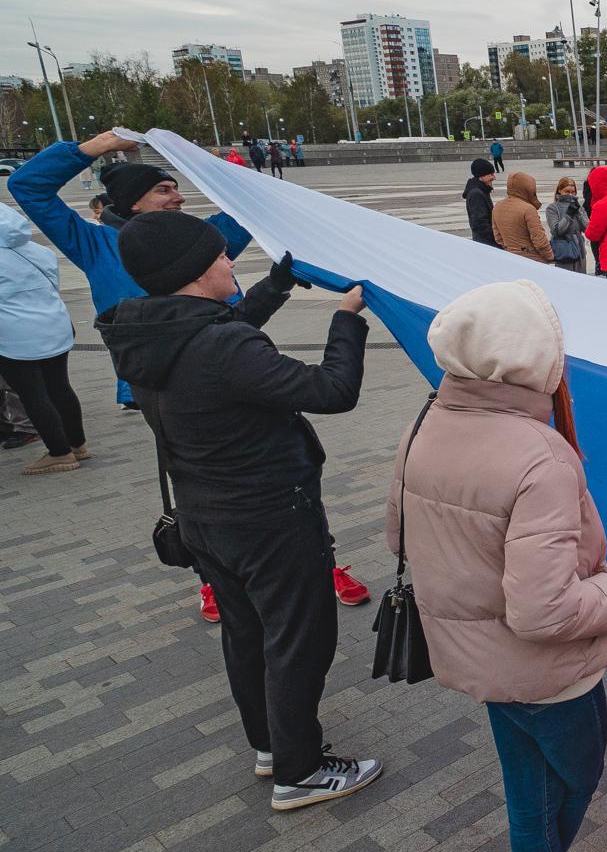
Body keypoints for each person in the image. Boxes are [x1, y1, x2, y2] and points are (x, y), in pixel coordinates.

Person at [389, 280, 607, 852]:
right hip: (547, 670)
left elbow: (399, 536)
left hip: (476, 656)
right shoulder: (538, 455)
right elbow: (543, 610)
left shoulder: (426, 422)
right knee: (564, 787)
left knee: (530, 794)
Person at [97, 215, 379, 810]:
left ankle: (272, 748)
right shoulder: (222, 347)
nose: (232, 264)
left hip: (208, 519)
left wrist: (275, 285)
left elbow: (219, 338)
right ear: (199, 271)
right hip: (271, 519)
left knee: (247, 635)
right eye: (225, 258)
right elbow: (333, 391)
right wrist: (345, 320)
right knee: (299, 641)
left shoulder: (143, 332)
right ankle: (300, 772)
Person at [8, 132, 252, 412]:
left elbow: (254, 200)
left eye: (176, 188)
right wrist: (100, 145)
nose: (179, 197)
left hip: (226, 363)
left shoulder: (202, 236)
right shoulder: (94, 245)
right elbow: (27, 186)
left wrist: (203, 163)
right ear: (134, 202)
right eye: (164, 190)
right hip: (153, 380)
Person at [0, 203, 86, 474]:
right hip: (55, 324)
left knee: (32, 393)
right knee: (59, 387)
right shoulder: (37, 250)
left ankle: (59, 453)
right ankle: (78, 445)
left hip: (15, 334)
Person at [492, 172, 554, 264]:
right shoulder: (528, 209)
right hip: (532, 259)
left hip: (510, 257)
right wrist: (550, 256)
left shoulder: (497, 206)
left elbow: (498, 237)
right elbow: (539, 240)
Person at [545, 177, 589, 274]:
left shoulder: (579, 207)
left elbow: (587, 229)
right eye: (567, 191)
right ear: (560, 190)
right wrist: (569, 215)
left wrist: (578, 213)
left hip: (580, 249)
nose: (570, 195)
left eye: (573, 192)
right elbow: (556, 231)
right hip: (564, 250)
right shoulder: (552, 208)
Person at [463, 158, 499, 248]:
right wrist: (497, 242)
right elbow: (480, 225)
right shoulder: (476, 194)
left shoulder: (482, 190)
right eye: (491, 174)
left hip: (486, 243)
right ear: (481, 175)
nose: (494, 177)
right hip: (487, 244)